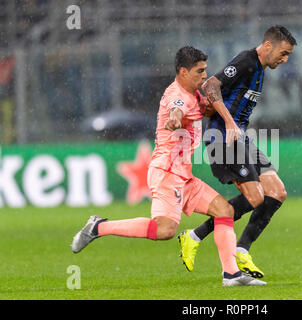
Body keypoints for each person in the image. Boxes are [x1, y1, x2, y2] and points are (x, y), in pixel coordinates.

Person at [71, 46, 266, 287]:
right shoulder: (179, 96)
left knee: (224, 211)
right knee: (164, 231)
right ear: (183, 72)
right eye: (200, 71)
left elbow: (203, 107)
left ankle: (231, 275)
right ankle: (99, 227)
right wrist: (174, 119)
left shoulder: (193, 92)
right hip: (166, 173)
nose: (204, 75)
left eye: (205, 70)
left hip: (183, 175)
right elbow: (176, 110)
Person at [178, 25, 297, 278]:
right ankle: (197, 237)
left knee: (276, 192)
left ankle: (241, 249)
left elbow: (217, 97)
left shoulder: (260, 70)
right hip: (222, 138)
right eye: (283, 53)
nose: (285, 59)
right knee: (255, 198)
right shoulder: (247, 61)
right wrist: (229, 122)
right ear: (268, 46)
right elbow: (210, 85)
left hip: (239, 139)